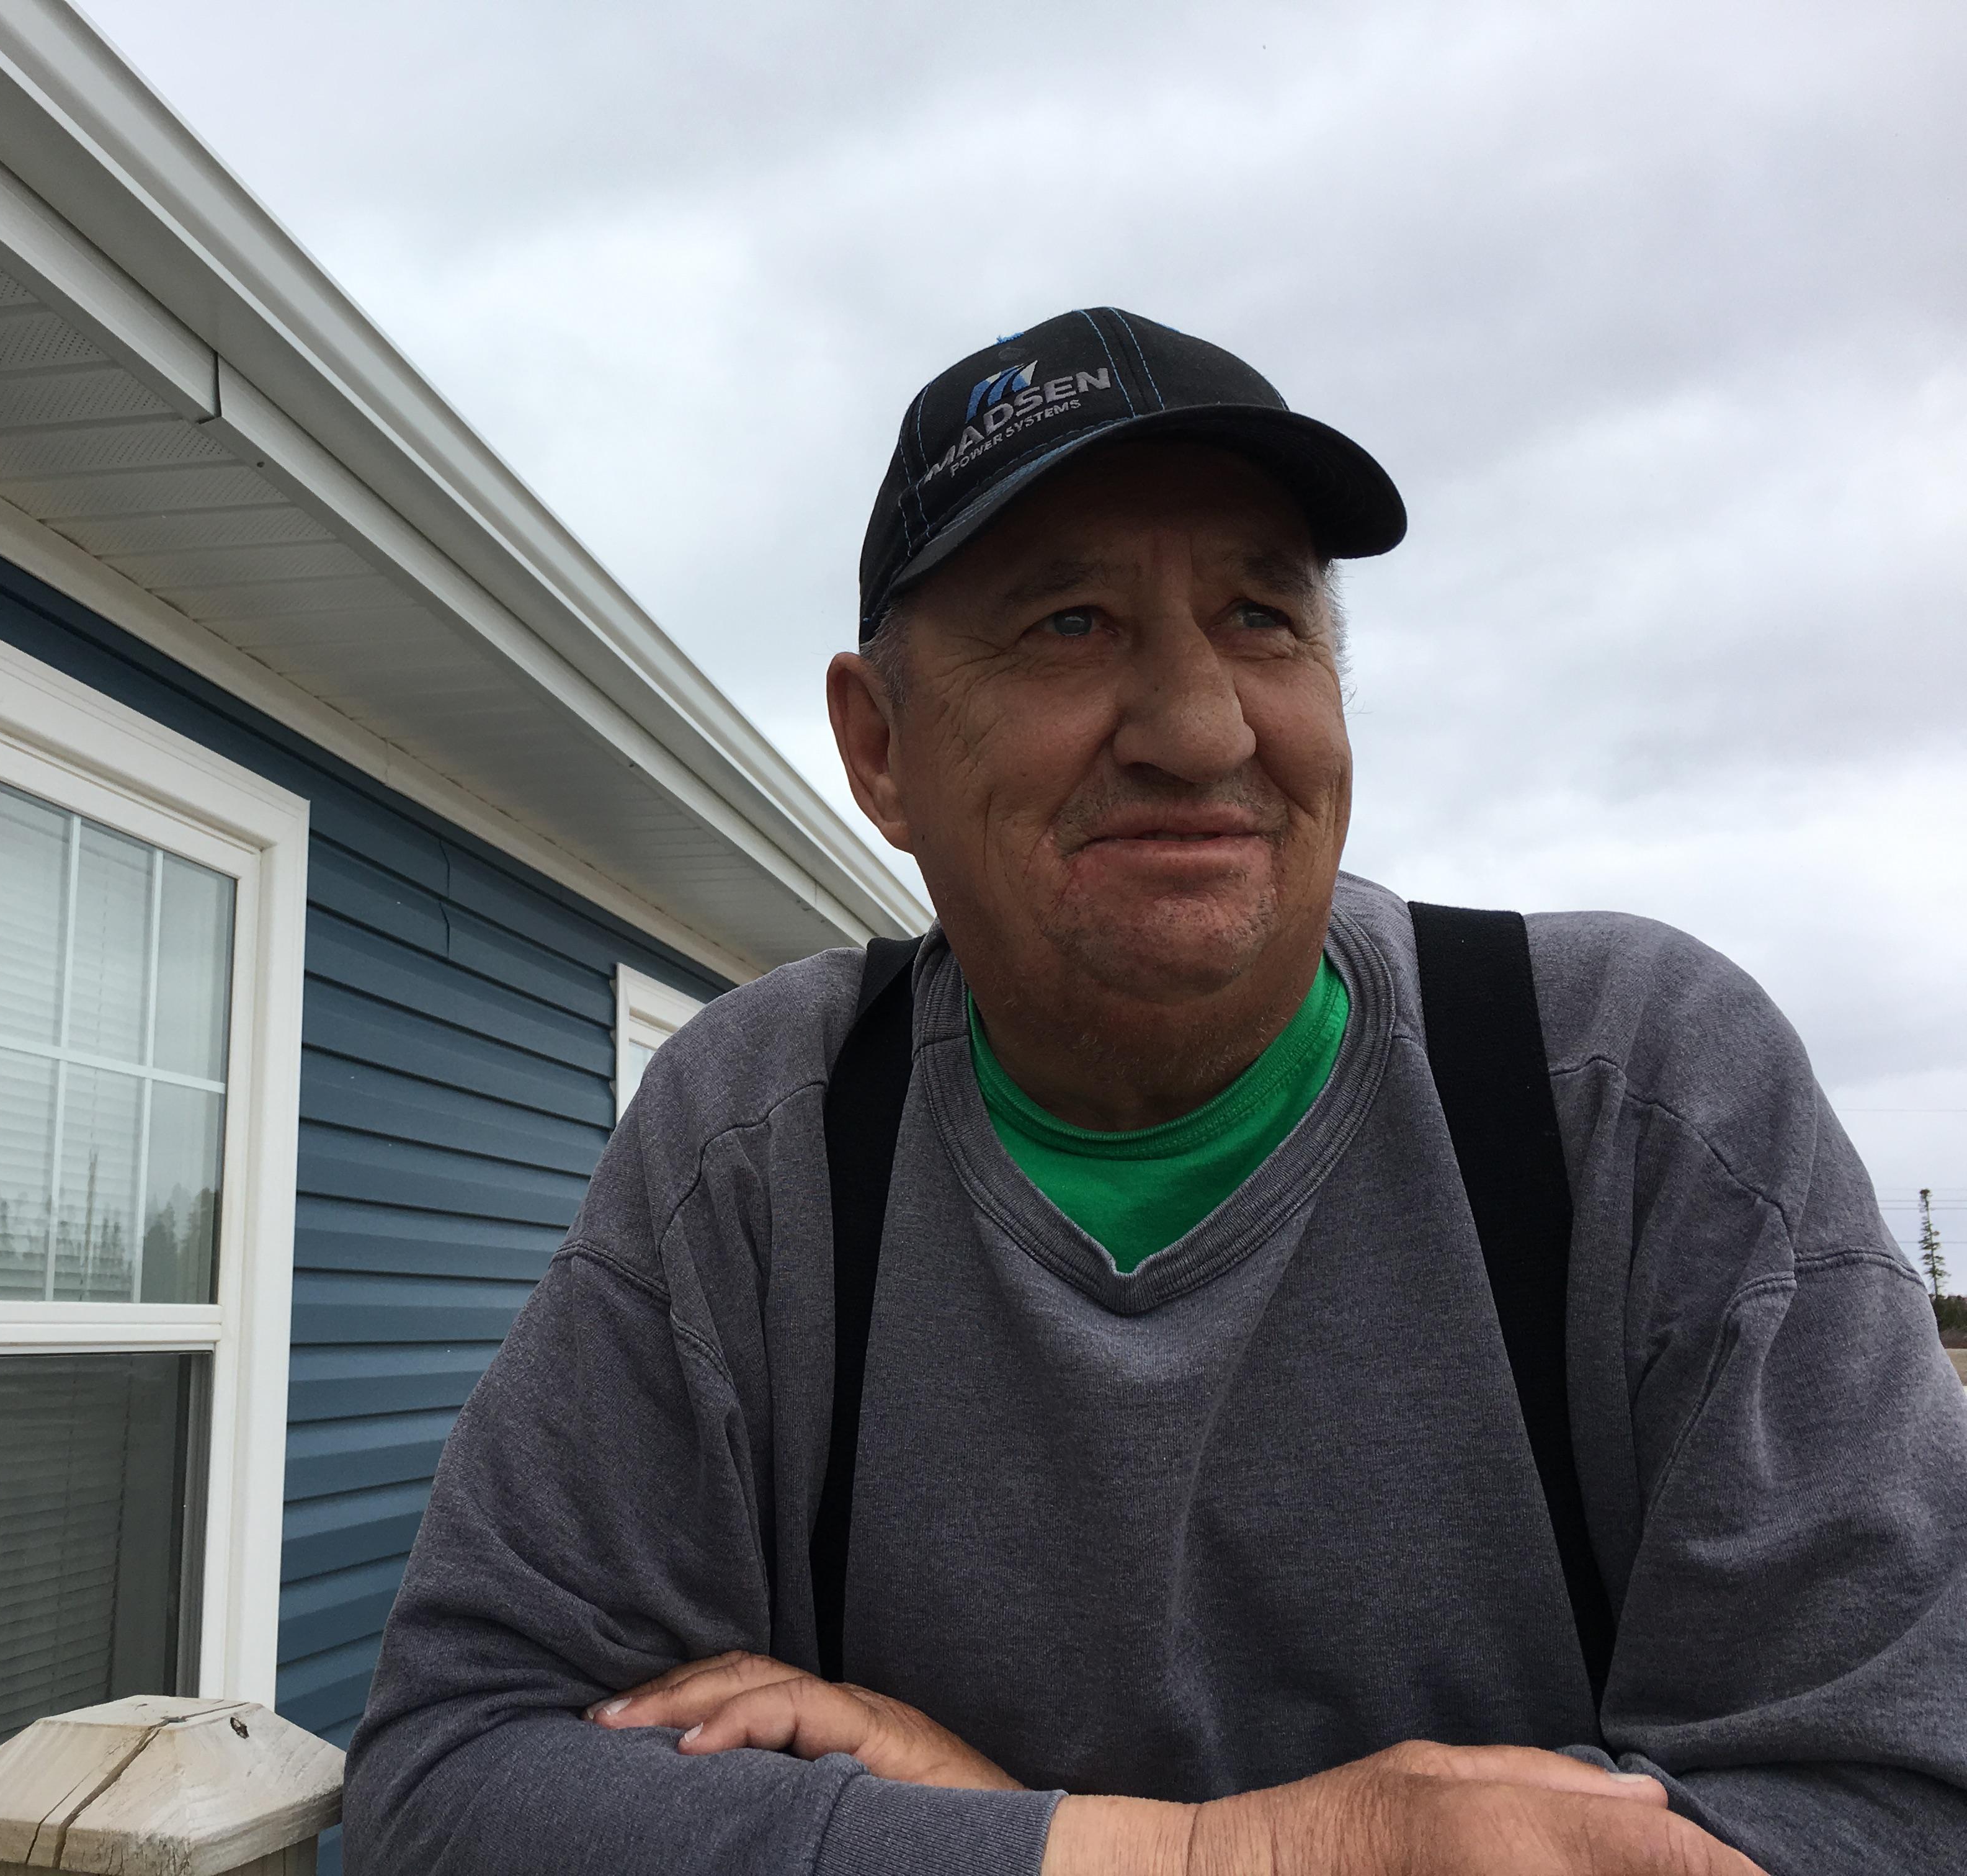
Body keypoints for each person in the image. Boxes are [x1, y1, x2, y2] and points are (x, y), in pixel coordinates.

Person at [344, 308, 1967, 1874]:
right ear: (879, 750)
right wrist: (1229, 1859)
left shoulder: (1639, 1098)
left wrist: (1013, 1827)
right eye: (1072, 625)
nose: (1201, 728)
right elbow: (453, 1777)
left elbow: (1896, 1813)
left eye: (1264, 619)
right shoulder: (761, 1141)